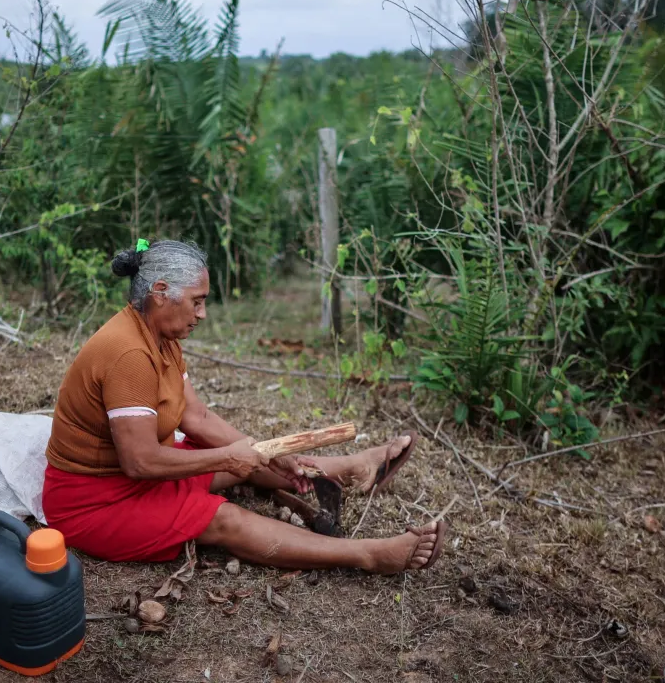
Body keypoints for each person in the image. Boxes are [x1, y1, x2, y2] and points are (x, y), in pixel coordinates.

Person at [42, 239, 448, 574]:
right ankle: (370, 555)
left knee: (233, 455)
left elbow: (196, 417)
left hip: (135, 478)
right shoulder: (129, 353)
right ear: (161, 292)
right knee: (223, 517)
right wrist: (230, 457)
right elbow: (140, 462)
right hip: (96, 503)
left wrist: (265, 453)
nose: (202, 314)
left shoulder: (160, 337)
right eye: (197, 302)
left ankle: (351, 469)